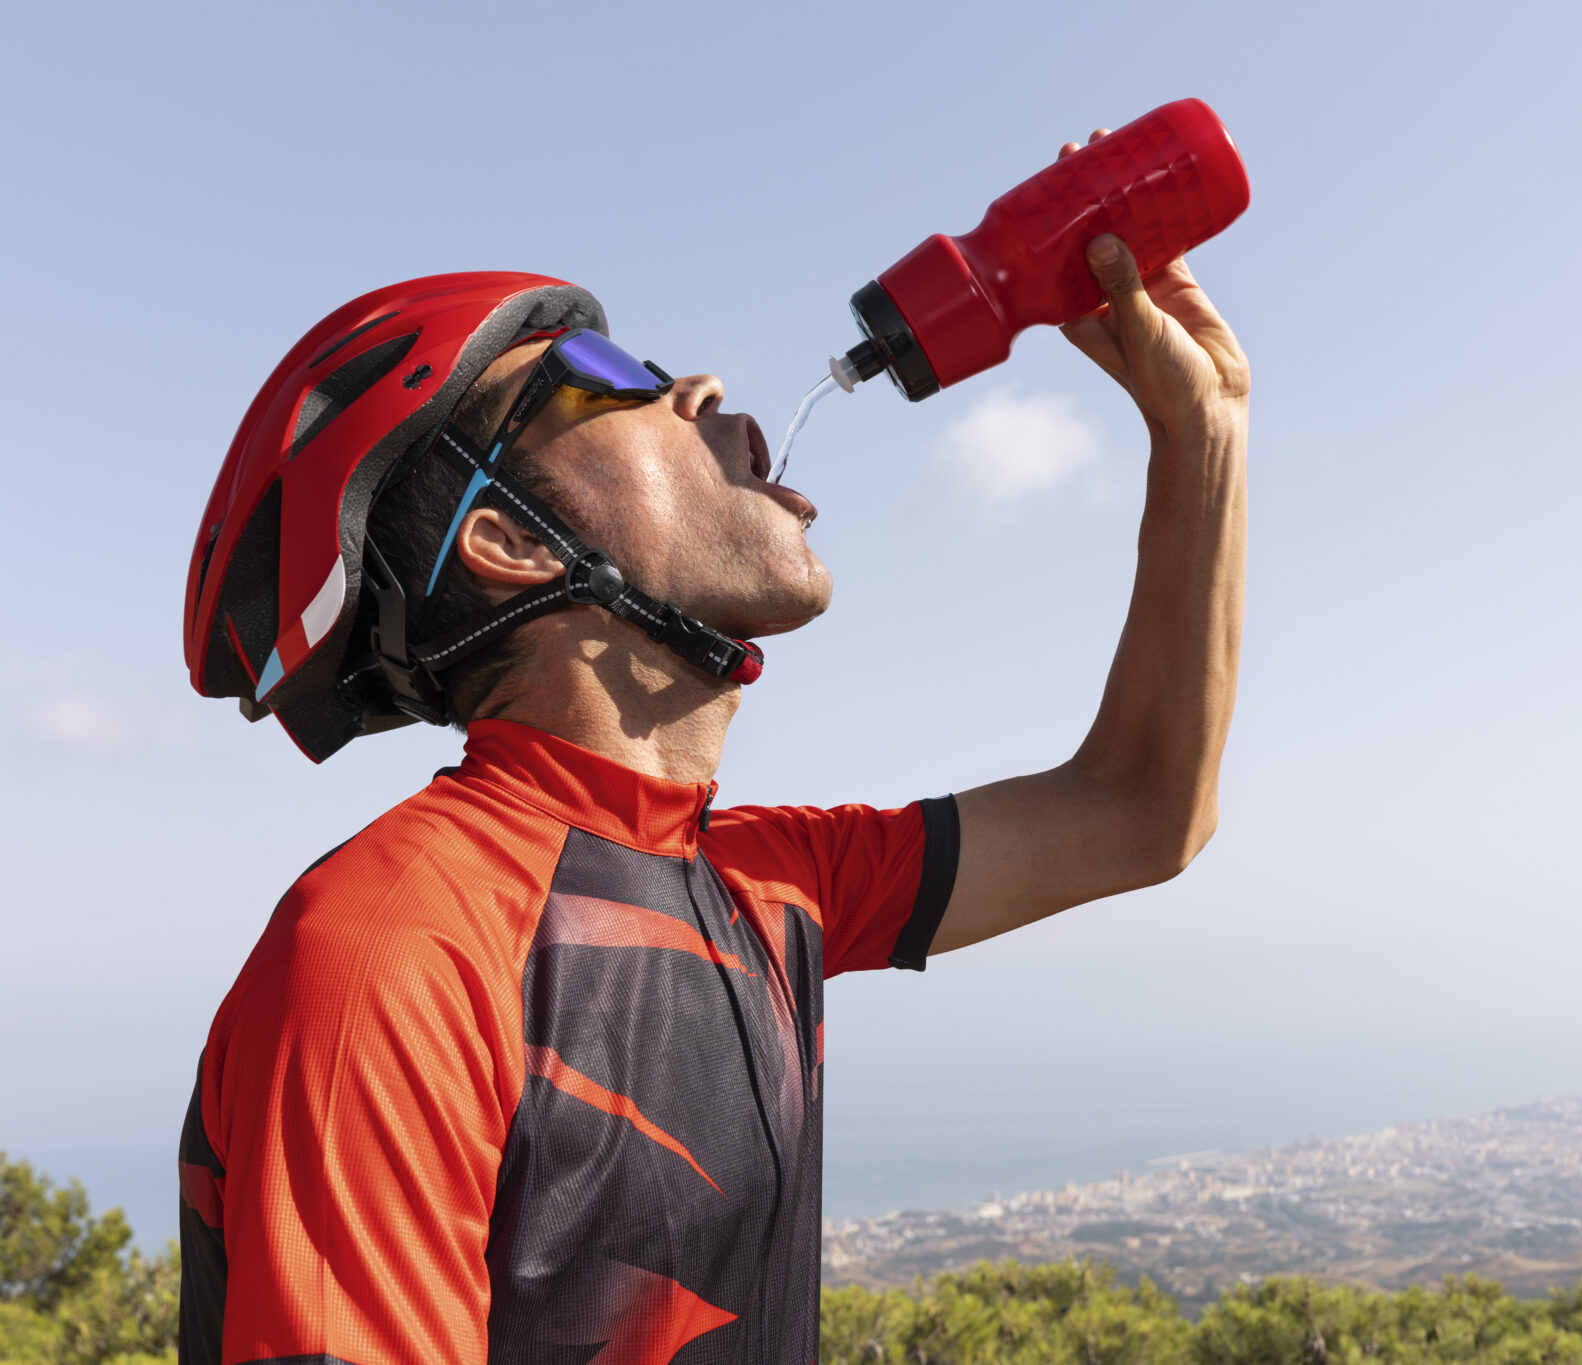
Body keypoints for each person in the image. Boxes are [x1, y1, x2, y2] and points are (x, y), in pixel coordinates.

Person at [175, 130, 1249, 1365]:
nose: (697, 389)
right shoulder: (389, 952)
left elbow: (1139, 811)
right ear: (510, 545)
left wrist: (1200, 433)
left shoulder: (759, 884)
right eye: (600, 377)